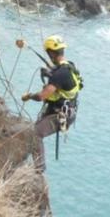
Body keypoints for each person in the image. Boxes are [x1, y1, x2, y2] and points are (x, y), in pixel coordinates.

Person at [20, 35, 82, 168]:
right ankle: (29, 160)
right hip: (66, 111)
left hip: (60, 115)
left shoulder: (60, 74)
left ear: (51, 53)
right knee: (33, 132)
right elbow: (59, 73)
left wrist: (29, 96)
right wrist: (50, 72)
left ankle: (39, 168)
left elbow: (41, 96)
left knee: (35, 133)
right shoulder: (70, 66)